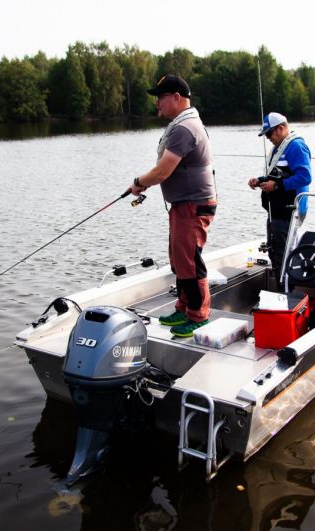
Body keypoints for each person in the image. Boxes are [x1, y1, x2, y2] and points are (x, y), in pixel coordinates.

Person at [129, 75, 217, 338]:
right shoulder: (185, 123)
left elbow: (162, 171)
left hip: (193, 205)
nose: (157, 103)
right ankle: (184, 308)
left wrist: (138, 182)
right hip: (184, 205)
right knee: (179, 260)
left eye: (161, 97)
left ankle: (199, 315)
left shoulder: (184, 128)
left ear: (176, 97)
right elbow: (164, 172)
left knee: (189, 261)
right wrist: (145, 182)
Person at [247, 112, 312, 286]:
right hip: (276, 210)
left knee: (283, 252)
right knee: (274, 250)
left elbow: (305, 177)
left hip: (290, 210)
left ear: (281, 128)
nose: (268, 138)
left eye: (269, 133)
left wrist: (276, 186)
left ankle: (287, 291)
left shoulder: (296, 146)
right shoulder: (279, 147)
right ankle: (280, 288)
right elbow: (276, 175)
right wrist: (259, 180)